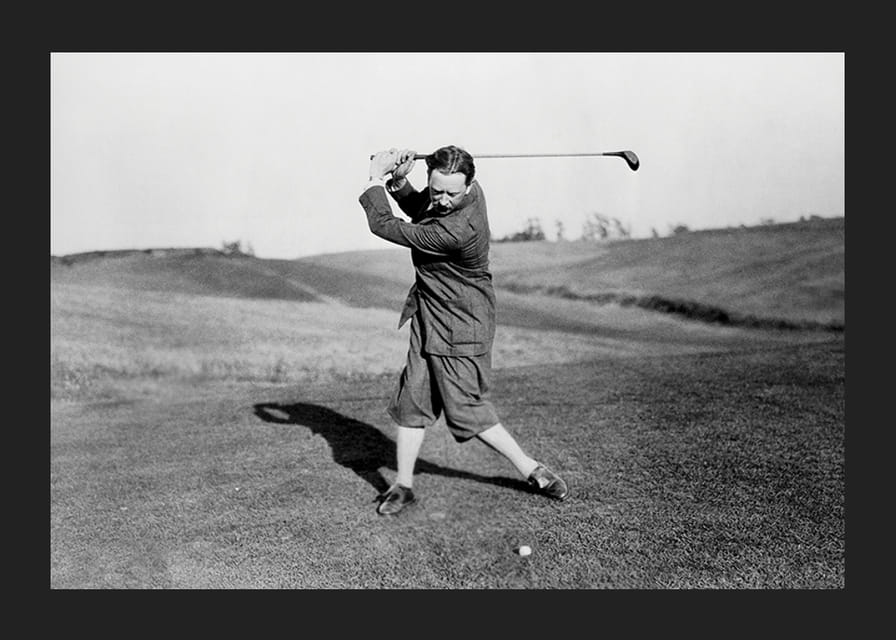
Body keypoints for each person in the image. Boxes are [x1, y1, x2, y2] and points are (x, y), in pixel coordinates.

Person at [358, 145, 568, 516]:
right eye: (435, 189)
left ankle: (531, 468)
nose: (441, 199)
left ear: (470, 185)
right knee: (412, 402)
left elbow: (386, 225)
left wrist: (376, 176)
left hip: (461, 324)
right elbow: (424, 207)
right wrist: (400, 180)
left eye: (450, 193)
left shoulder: (457, 229)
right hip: (430, 315)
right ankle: (403, 486)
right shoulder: (456, 199)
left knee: (466, 410)